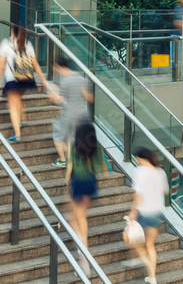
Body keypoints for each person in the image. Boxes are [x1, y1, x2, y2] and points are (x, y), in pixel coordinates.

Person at [0, 25, 49, 143]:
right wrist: (43, 80)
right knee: (17, 99)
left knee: (13, 107)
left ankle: (17, 134)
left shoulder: (6, 44)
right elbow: (35, 64)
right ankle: (22, 117)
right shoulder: (28, 44)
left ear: (12, 32)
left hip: (13, 80)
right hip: (26, 80)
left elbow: (1, 65)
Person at [66, 121, 108, 276]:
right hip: (90, 182)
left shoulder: (73, 144)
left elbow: (70, 166)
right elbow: (103, 169)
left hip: (77, 182)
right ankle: (80, 248)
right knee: (73, 217)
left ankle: (84, 260)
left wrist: (66, 183)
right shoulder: (95, 147)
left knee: (79, 218)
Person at [129, 147, 168, 284]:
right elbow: (165, 191)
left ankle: (142, 261)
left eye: (137, 159)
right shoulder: (160, 172)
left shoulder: (140, 171)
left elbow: (138, 195)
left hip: (143, 212)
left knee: (134, 242)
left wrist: (133, 212)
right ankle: (152, 277)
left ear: (140, 158)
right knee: (150, 245)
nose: (137, 161)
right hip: (156, 213)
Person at [49, 58, 92, 167]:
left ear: (60, 67)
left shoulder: (66, 81)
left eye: (56, 69)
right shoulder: (82, 79)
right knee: (70, 137)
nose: (57, 72)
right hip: (81, 114)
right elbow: (89, 97)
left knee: (57, 136)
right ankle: (71, 159)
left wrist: (52, 94)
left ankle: (63, 160)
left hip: (68, 114)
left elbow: (60, 99)